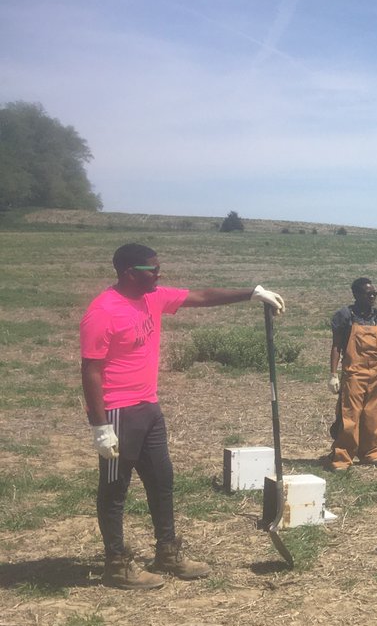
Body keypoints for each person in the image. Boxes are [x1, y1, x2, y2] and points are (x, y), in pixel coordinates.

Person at [81, 243, 285, 590]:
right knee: (115, 490)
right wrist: (100, 426)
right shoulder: (103, 311)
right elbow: (91, 370)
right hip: (118, 412)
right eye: (152, 270)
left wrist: (251, 293)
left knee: (162, 481)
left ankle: (167, 552)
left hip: (148, 408)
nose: (159, 274)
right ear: (129, 272)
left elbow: (202, 296)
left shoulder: (153, 297)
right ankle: (116, 564)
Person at [327, 277, 377, 470]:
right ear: (356, 295)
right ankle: (342, 457)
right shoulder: (345, 316)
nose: (372, 296)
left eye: (374, 293)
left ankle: (370, 453)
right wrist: (333, 374)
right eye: (368, 293)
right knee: (350, 414)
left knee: (373, 414)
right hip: (354, 372)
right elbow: (337, 346)